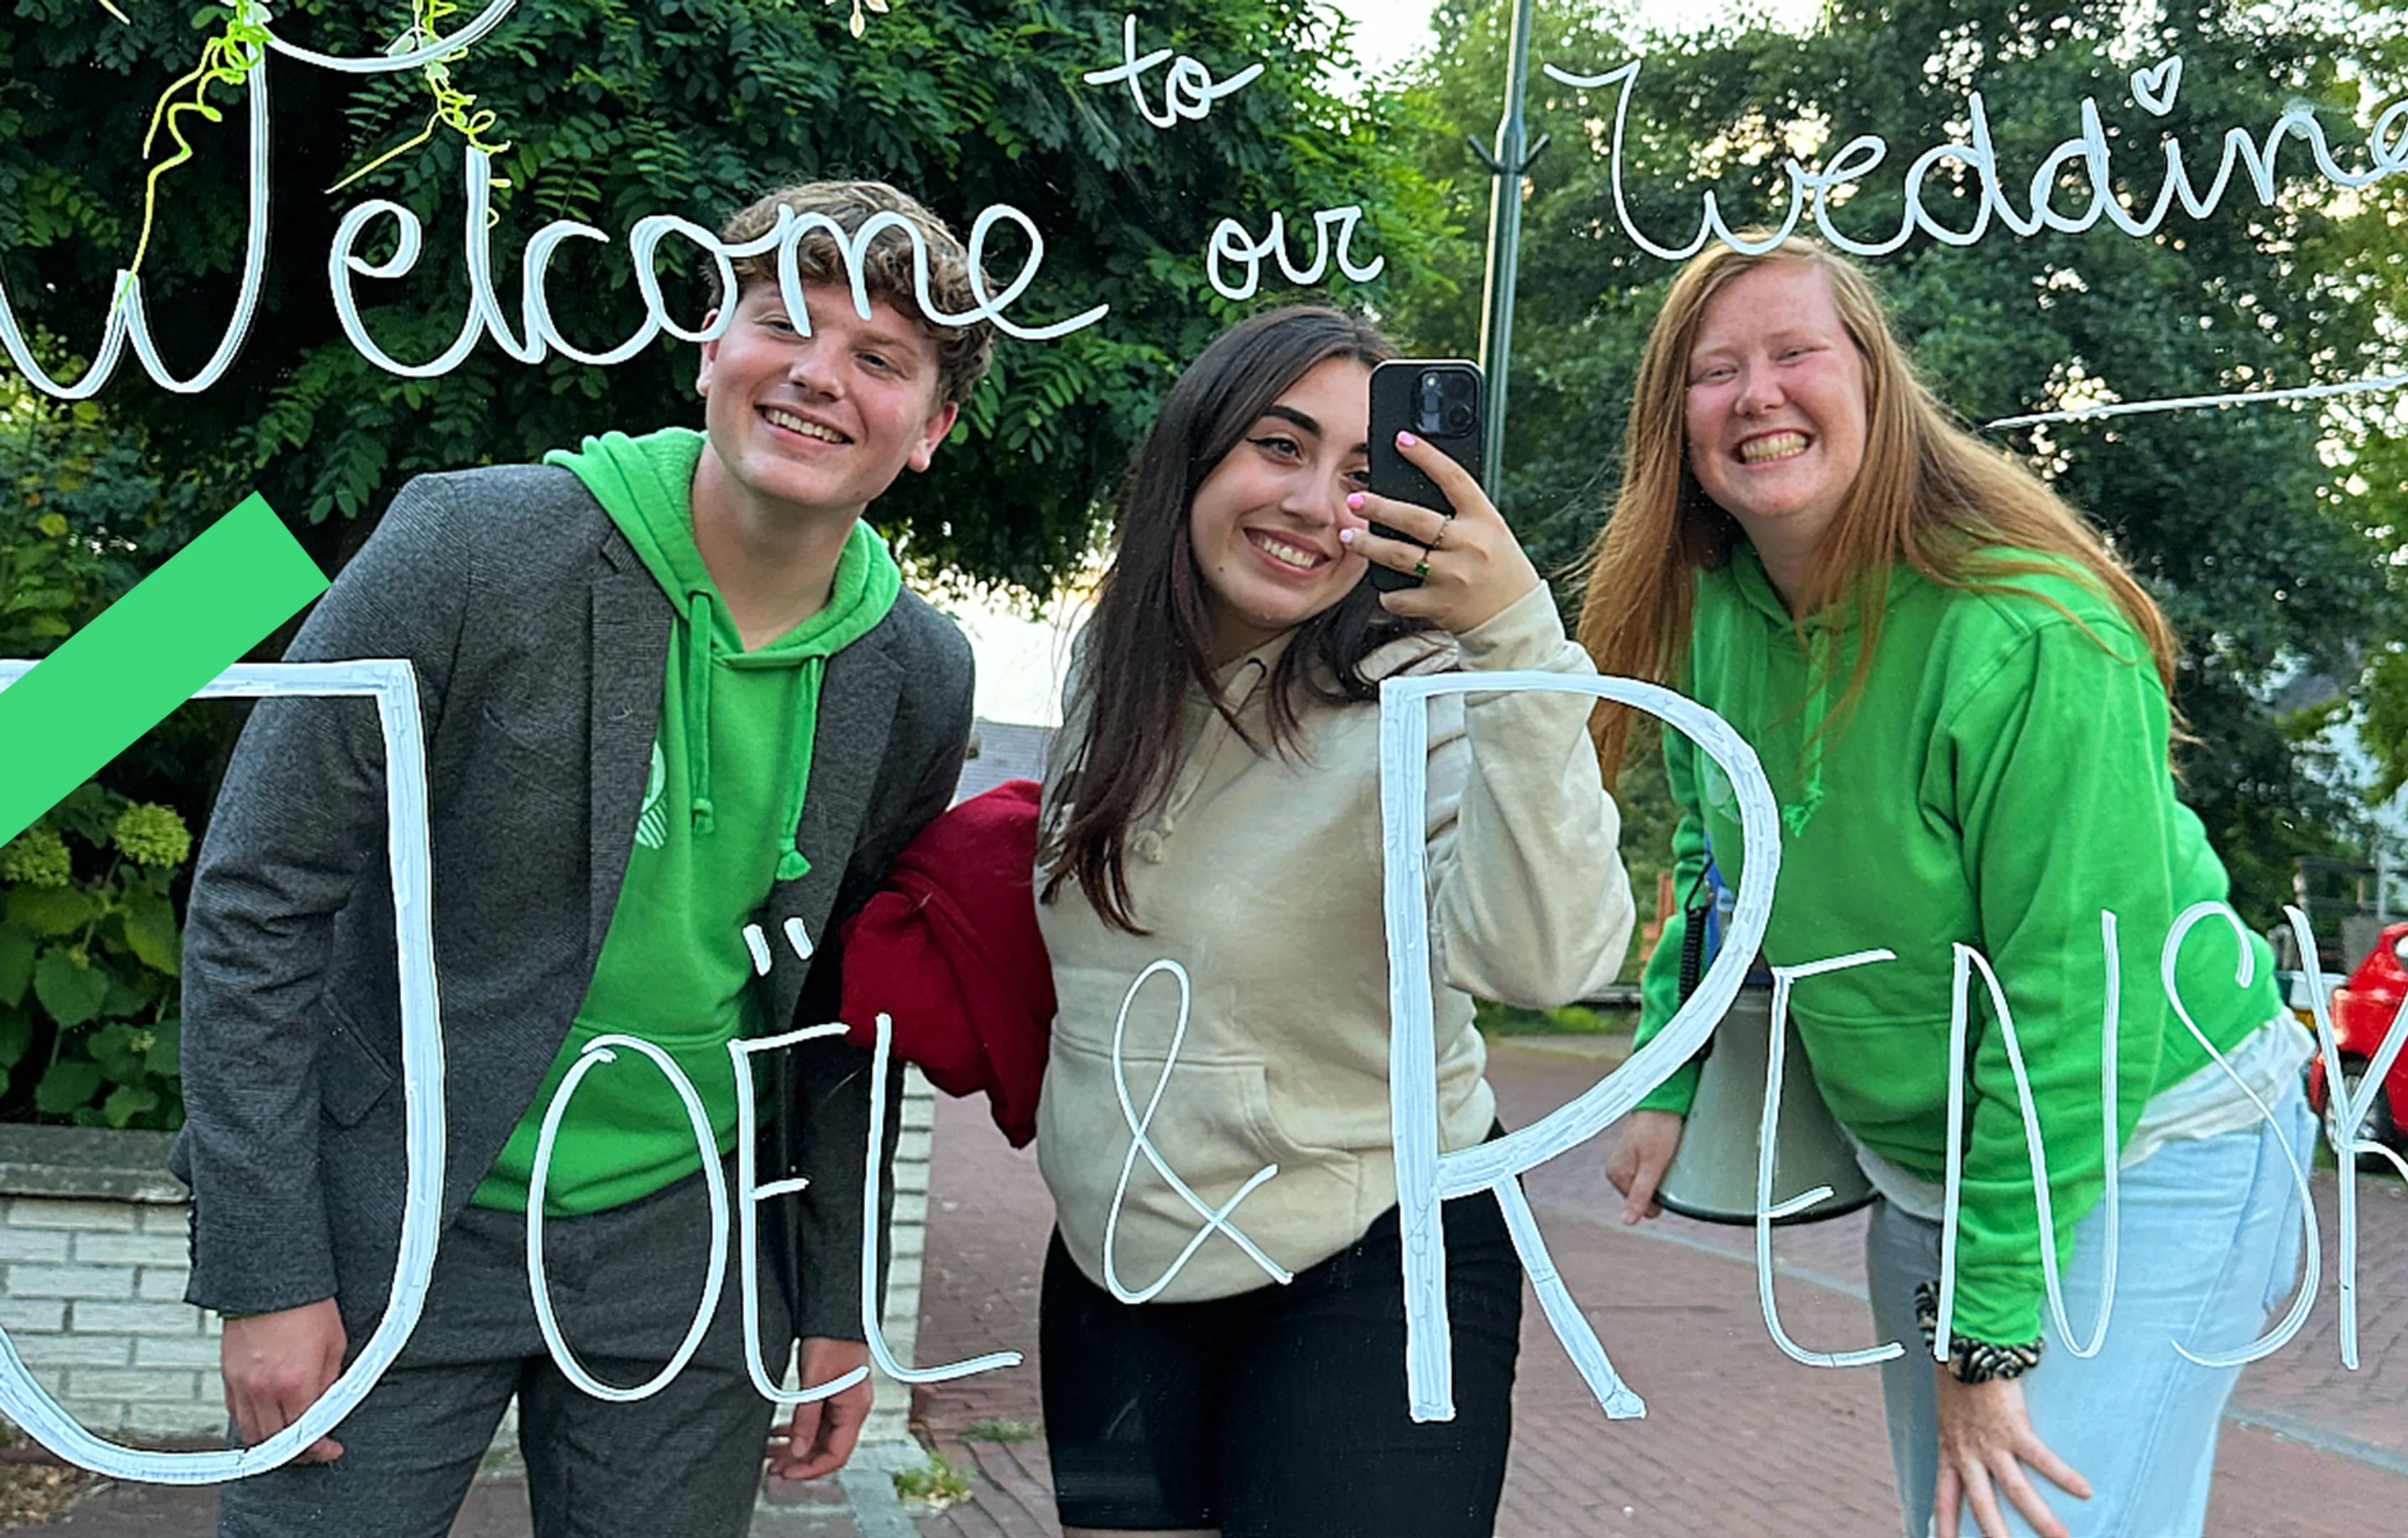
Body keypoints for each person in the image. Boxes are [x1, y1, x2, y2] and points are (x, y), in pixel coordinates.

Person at [174, 180, 984, 1537]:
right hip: (404, 1215)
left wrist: (837, 1300)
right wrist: (266, 1267)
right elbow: (259, 895)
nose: (818, 376)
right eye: (785, 321)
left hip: (690, 1241)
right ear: (711, 345)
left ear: (930, 430)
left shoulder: (917, 672)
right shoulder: (469, 545)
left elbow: (844, 1011)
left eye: (880, 359)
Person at [1584, 238, 2317, 1538]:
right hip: (1938, 1165)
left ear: (1874, 382)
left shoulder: (2032, 632)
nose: (1757, 393)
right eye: (1715, 371)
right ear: (1675, 424)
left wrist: (1987, 1346)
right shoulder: (1718, 615)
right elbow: (1714, 859)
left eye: (1795, 353)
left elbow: (2070, 1003)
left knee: (2028, 1526)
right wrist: (1670, 1074)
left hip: (2157, 1136)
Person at [1025, 305, 1634, 1537]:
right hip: (1114, 1263)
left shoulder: (1427, 687)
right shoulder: (1113, 668)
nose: (1313, 503)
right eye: (1279, 445)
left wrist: (1515, 639)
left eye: (1365, 476)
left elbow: (1549, 959)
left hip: (1368, 1261)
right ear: (1196, 458)